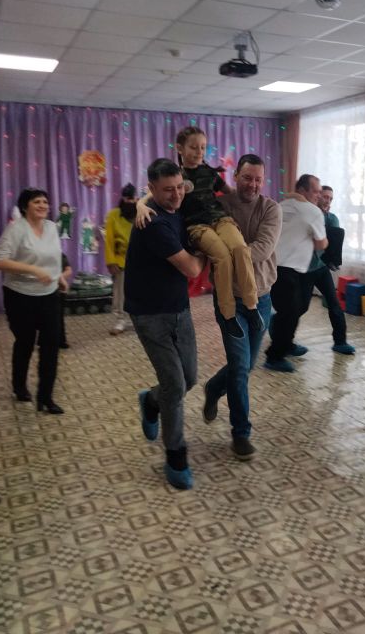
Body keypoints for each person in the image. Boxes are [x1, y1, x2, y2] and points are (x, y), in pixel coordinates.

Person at [137, 126, 262, 340]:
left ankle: (251, 306)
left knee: (241, 249)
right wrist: (140, 205)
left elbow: (231, 193)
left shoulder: (210, 172)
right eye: (194, 147)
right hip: (197, 226)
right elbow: (149, 194)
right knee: (222, 257)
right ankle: (228, 314)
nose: (199, 152)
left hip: (221, 220)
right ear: (180, 148)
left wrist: (254, 197)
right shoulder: (178, 176)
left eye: (203, 147)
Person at [125, 159, 204, 490]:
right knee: (174, 383)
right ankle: (175, 455)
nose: (176, 195)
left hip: (178, 308)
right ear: (152, 189)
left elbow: (197, 188)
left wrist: (141, 202)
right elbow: (192, 269)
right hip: (149, 314)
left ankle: (151, 401)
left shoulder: (174, 204)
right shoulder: (153, 224)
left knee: (189, 378)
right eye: (168, 190)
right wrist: (209, 249)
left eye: (179, 187)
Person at [202, 154, 282, 460]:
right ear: (236, 176)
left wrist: (229, 253)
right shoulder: (220, 206)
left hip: (262, 298)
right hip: (229, 299)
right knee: (239, 366)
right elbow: (210, 245)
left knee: (247, 365)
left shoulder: (271, 209)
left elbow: (263, 248)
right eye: (247, 178)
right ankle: (241, 433)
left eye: (258, 179)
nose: (253, 184)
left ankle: (213, 388)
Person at [0, 187, 67, 413]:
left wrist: (59, 277)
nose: (43, 205)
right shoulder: (16, 229)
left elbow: (55, 257)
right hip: (19, 296)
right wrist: (34, 270)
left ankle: (45, 397)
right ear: (25, 206)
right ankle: (19, 387)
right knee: (25, 342)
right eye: (37, 202)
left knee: (51, 345)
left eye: (45, 201)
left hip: (49, 295)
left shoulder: (52, 227)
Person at [264, 174, 328, 373]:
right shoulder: (313, 211)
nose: (318, 196)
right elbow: (321, 244)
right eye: (315, 191)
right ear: (301, 190)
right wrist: (326, 240)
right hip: (286, 269)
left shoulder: (280, 206)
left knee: (297, 308)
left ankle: (287, 343)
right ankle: (274, 356)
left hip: (279, 268)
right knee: (290, 312)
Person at [300, 185, 355, 356]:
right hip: (304, 269)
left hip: (321, 268)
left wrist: (333, 261)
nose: (327, 201)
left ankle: (340, 342)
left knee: (334, 304)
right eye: (325, 197)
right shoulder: (305, 216)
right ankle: (284, 339)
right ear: (317, 197)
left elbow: (331, 244)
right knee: (300, 308)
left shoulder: (332, 219)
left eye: (330, 198)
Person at [104, 182, 137, 335]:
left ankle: (137, 320)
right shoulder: (114, 214)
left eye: (132, 198)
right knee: (121, 293)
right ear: (123, 198)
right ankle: (120, 320)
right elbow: (109, 240)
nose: (129, 201)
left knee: (140, 293)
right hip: (121, 260)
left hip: (140, 260)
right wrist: (111, 261)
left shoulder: (141, 211)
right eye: (127, 198)